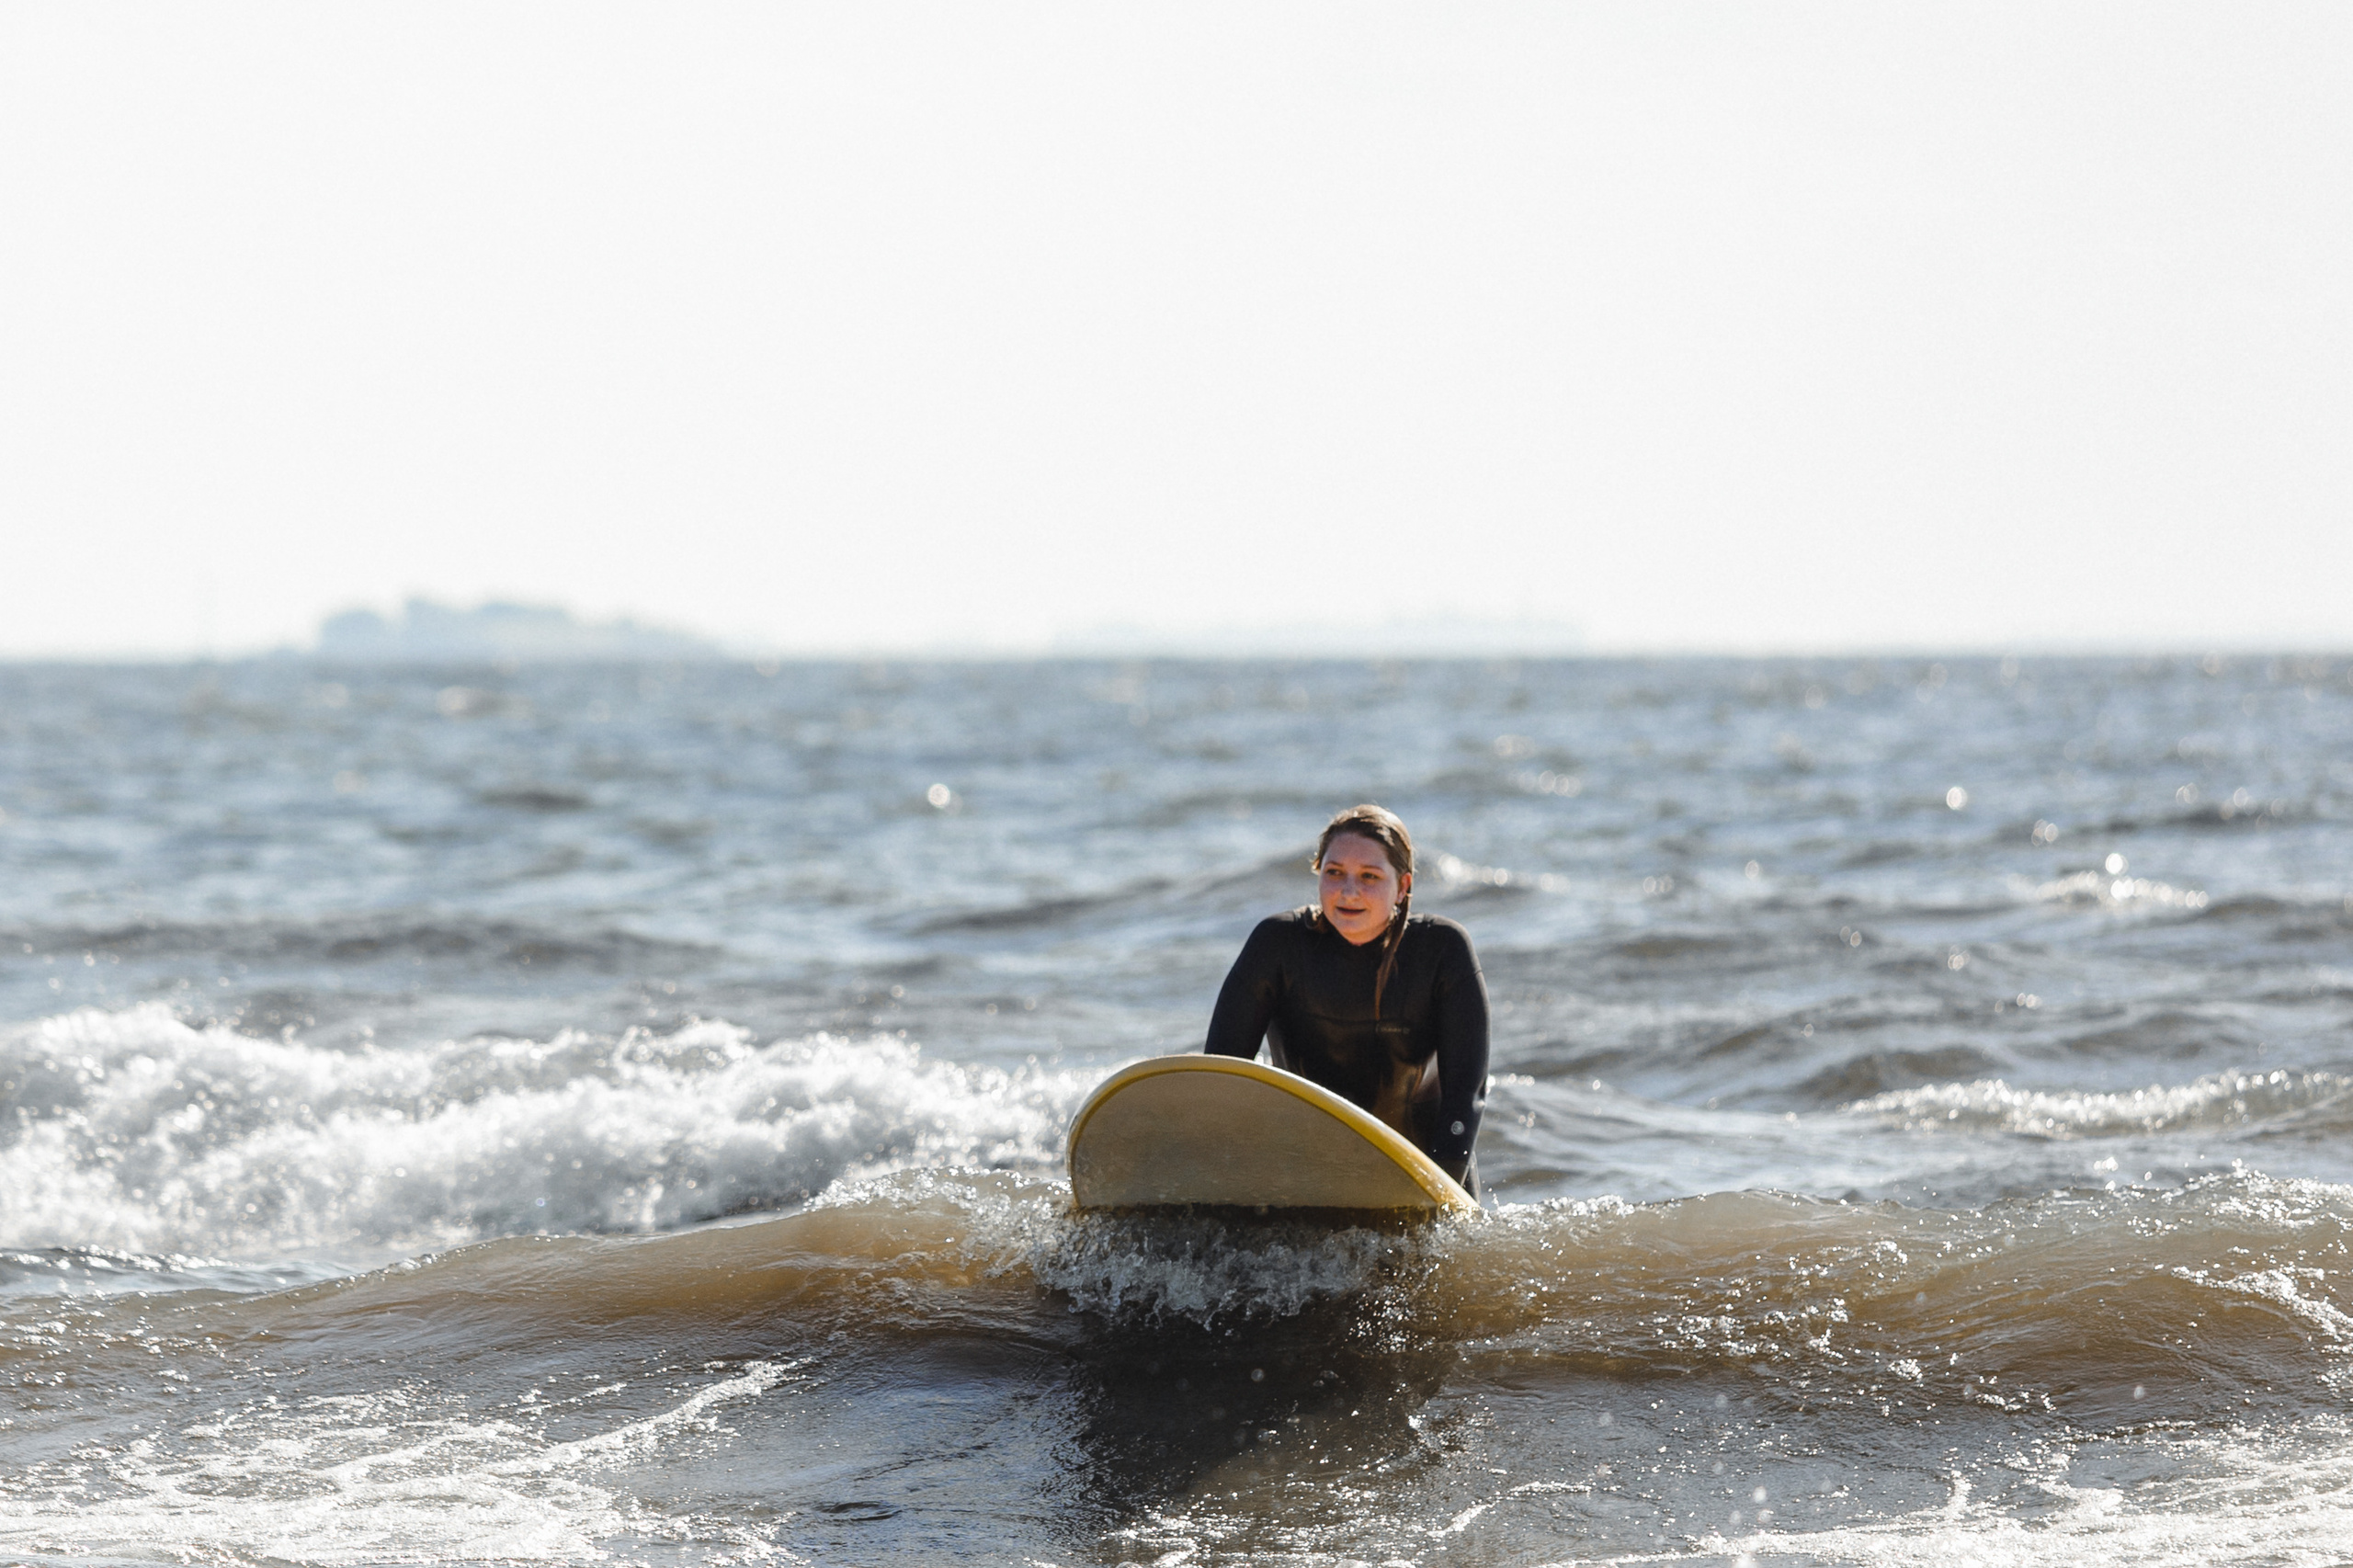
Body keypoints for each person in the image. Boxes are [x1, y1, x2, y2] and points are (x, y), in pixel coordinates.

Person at [1204, 804, 1489, 1195]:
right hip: (1308, 1171)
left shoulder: (1441, 950)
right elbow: (1222, 1077)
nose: (1348, 892)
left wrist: (1441, 1194)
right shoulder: (1277, 946)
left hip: (1429, 1166)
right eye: (1334, 873)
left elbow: (1465, 1092)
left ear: (1403, 886)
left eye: (1369, 877)